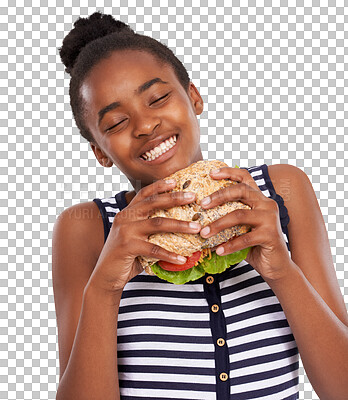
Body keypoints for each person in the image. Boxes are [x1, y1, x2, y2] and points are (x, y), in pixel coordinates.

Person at [52, 11, 348, 400]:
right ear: (99, 152)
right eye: (116, 123)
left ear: (194, 97)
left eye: (157, 98)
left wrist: (282, 270)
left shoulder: (279, 191)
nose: (144, 126)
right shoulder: (87, 226)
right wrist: (105, 286)